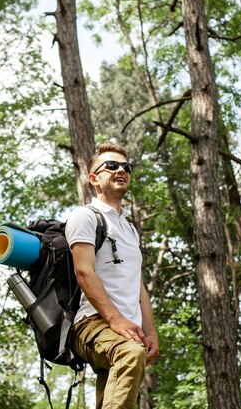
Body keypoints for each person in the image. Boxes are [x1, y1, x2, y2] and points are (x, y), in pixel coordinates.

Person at [65, 143, 159, 409]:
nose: (121, 170)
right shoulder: (85, 216)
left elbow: (138, 286)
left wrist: (150, 332)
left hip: (127, 331)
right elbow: (83, 271)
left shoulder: (129, 229)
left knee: (110, 400)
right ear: (94, 178)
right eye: (112, 166)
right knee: (130, 354)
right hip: (92, 324)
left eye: (126, 167)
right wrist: (116, 320)